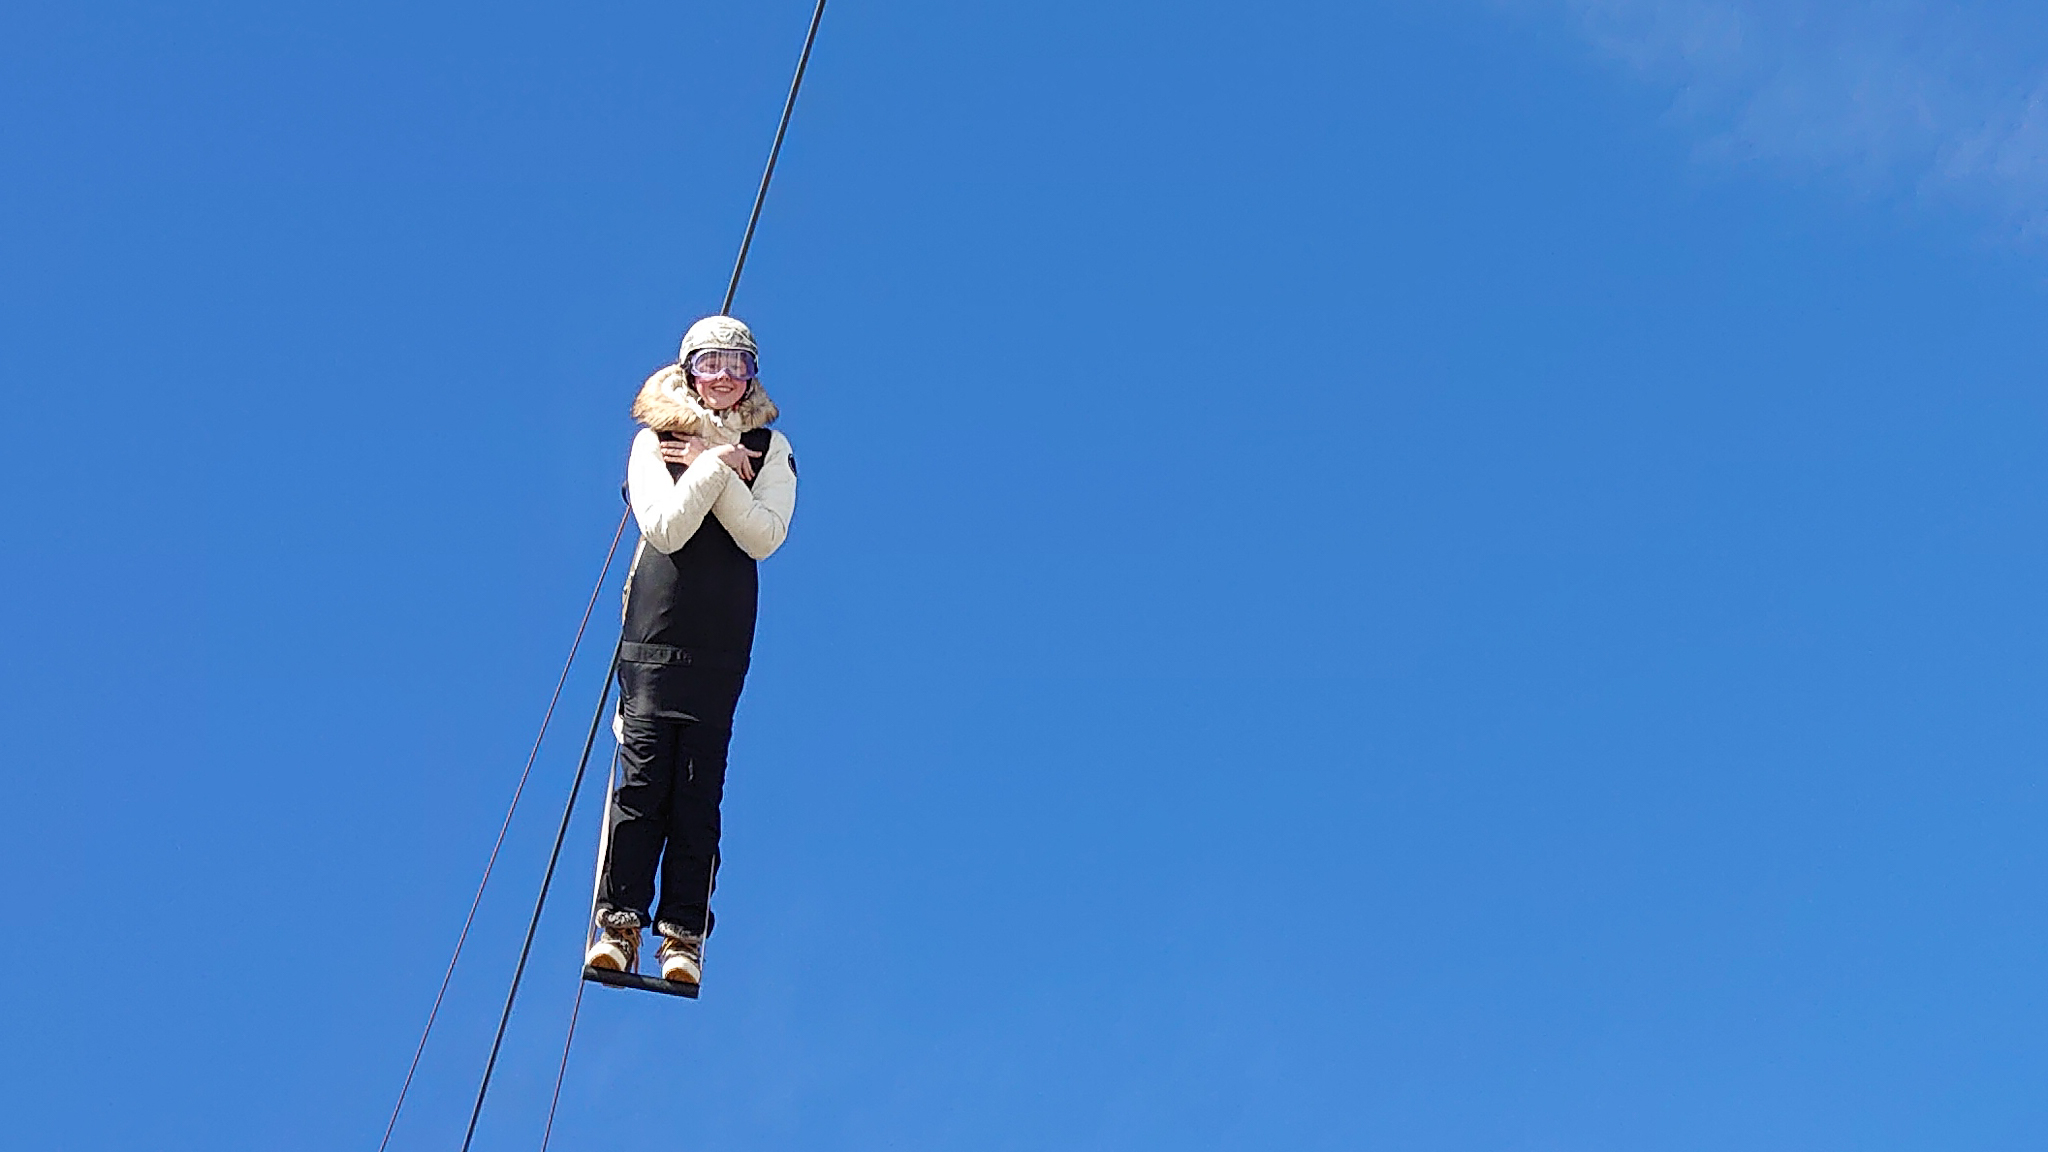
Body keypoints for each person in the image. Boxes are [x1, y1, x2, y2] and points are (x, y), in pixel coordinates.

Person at [584, 314, 797, 985]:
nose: (726, 380)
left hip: (719, 644)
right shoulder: (658, 441)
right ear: (689, 372)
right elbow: (667, 529)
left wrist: (722, 472)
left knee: (698, 791)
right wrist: (711, 464)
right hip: (654, 638)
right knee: (645, 781)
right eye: (711, 366)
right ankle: (618, 922)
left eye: (739, 367)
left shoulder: (771, 447)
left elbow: (764, 536)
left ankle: (682, 935)